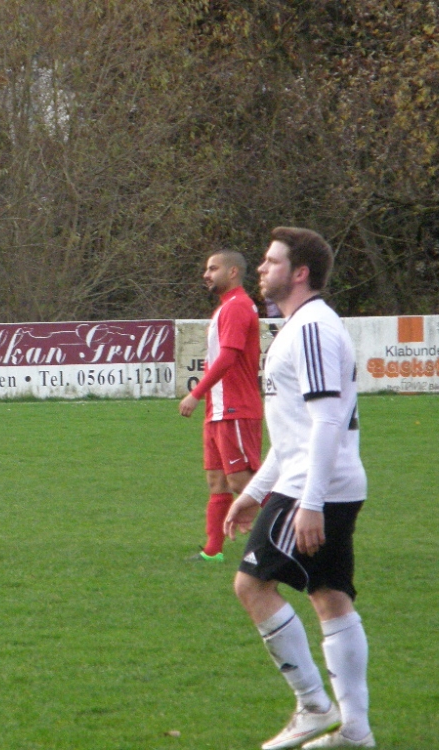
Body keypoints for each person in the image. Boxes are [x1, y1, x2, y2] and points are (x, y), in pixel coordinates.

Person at [223, 227, 373, 749]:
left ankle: (313, 704)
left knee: (252, 585)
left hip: (316, 488)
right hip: (321, 483)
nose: (262, 268)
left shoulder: (311, 327)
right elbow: (294, 436)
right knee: (330, 598)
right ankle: (355, 731)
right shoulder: (300, 327)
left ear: (300, 272)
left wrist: (310, 503)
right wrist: (254, 492)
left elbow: (327, 421)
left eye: (272, 261)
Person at [179, 250, 263, 562]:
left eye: (213, 268)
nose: (206, 274)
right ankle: (213, 551)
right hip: (218, 410)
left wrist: (196, 393)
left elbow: (228, 357)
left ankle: (295, 530)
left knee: (241, 480)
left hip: (235, 408)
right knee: (217, 482)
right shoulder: (226, 307)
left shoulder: (238, 306)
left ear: (232, 272)